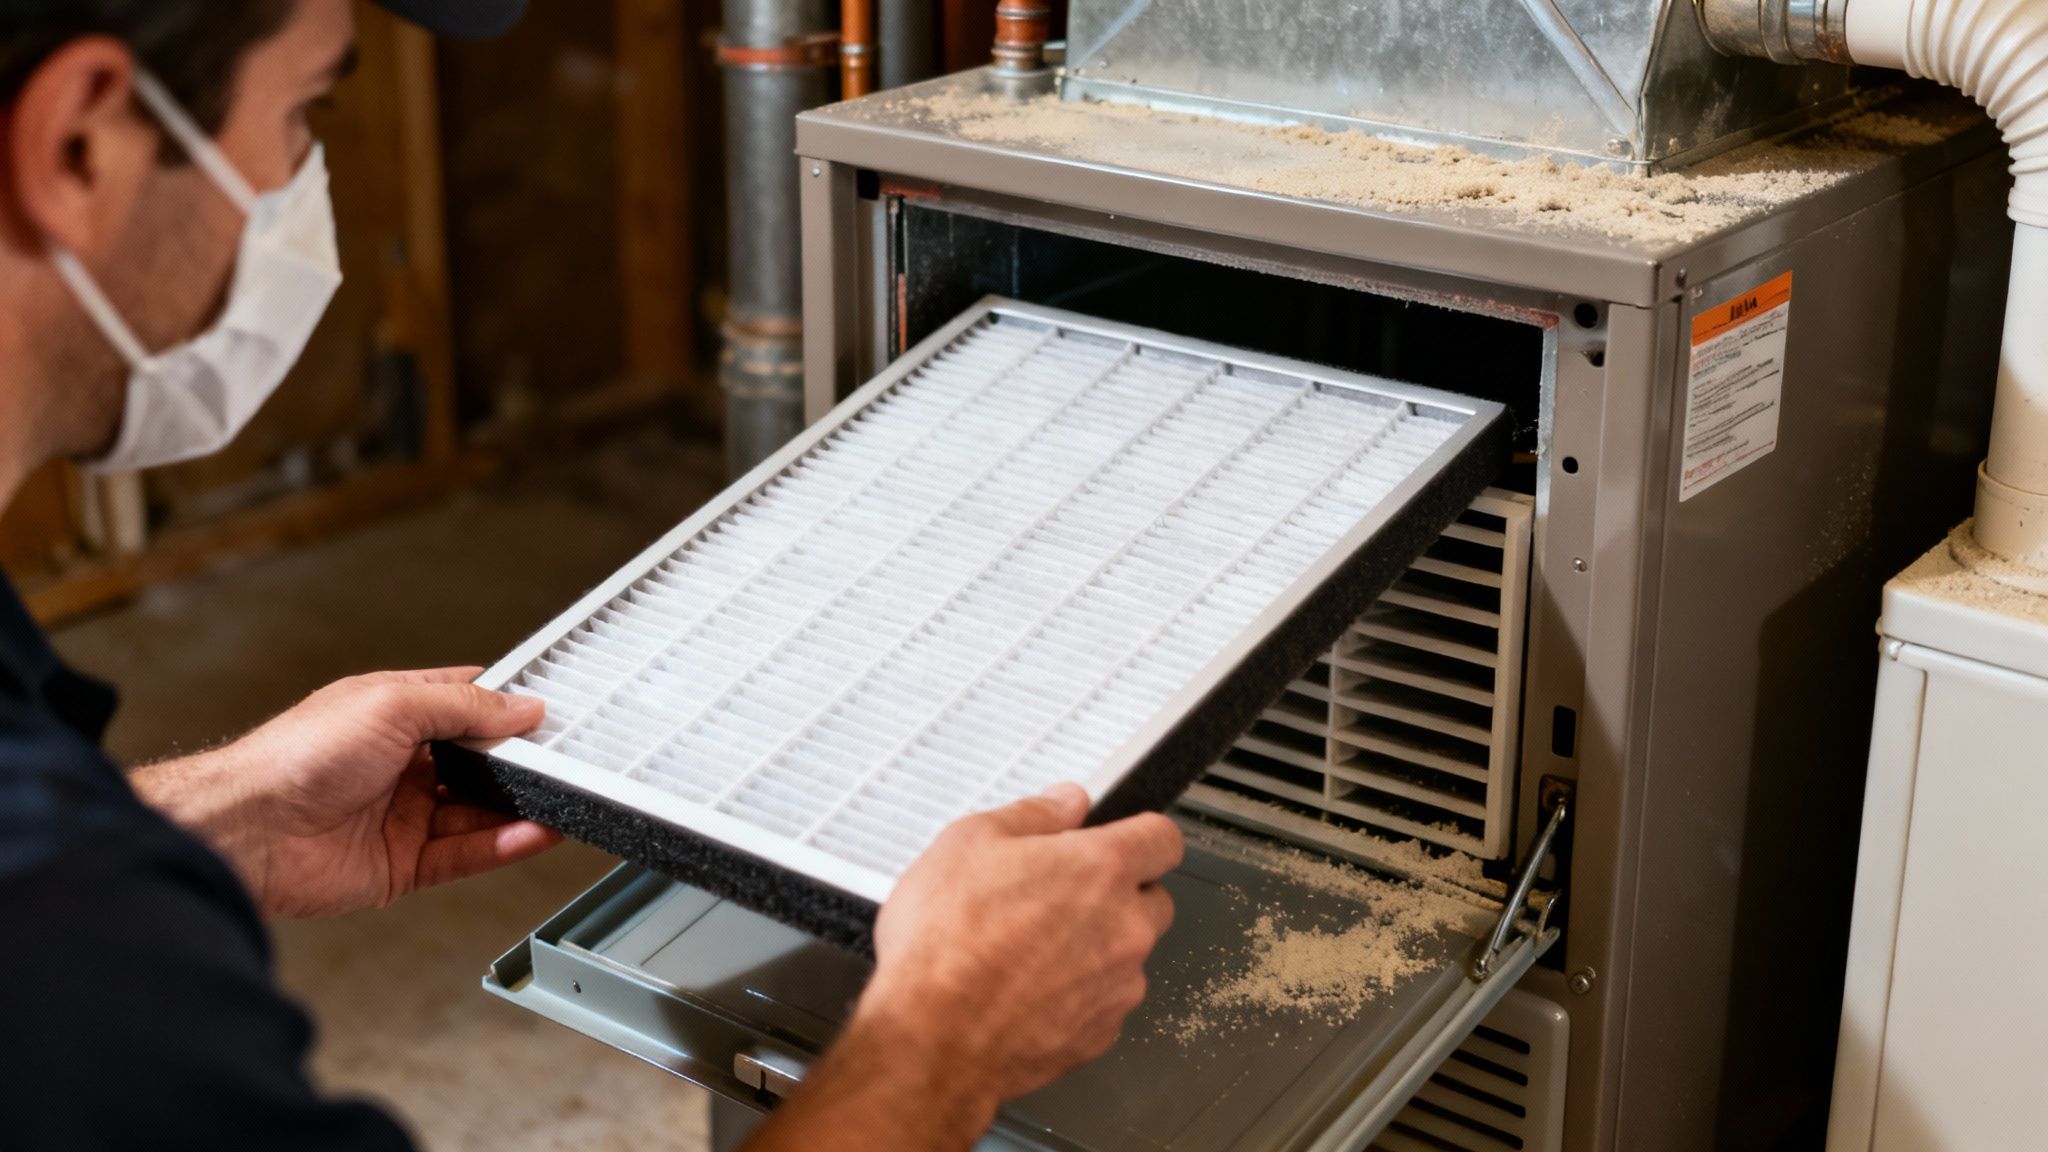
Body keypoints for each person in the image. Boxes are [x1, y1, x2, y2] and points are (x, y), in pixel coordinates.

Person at [0, 2, 1184, 1149]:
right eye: (304, 109)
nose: (302, 174)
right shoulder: (77, 956)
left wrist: (224, 815)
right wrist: (946, 1039)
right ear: (78, 142)